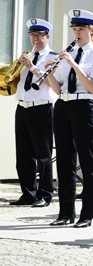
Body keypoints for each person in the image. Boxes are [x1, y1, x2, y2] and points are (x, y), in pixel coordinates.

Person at [47, 9, 93, 227]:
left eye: (81, 28)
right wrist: (46, 74)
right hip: (63, 105)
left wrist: (73, 64)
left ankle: (87, 214)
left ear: (91, 30)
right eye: (74, 28)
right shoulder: (67, 53)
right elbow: (58, 87)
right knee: (64, 160)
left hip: (84, 105)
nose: (77, 32)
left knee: (88, 160)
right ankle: (65, 213)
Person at [9, 18, 58, 207]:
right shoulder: (25, 56)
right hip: (22, 107)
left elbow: (51, 82)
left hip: (42, 107)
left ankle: (45, 194)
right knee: (23, 154)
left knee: (43, 153)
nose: (35, 38)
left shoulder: (52, 57)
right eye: (32, 35)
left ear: (47, 36)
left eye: (39, 35)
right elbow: (16, 80)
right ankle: (28, 193)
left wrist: (32, 67)